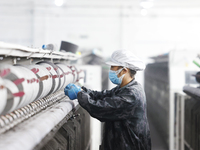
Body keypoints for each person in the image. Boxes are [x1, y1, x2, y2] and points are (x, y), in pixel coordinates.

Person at [64, 50, 151, 150]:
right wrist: (83, 91)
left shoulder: (132, 94)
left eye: (113, 67)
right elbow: (103, 95)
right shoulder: (124, 88)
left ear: (124, 70)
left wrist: (79, 95)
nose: (110, 70)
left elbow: (101, 108)